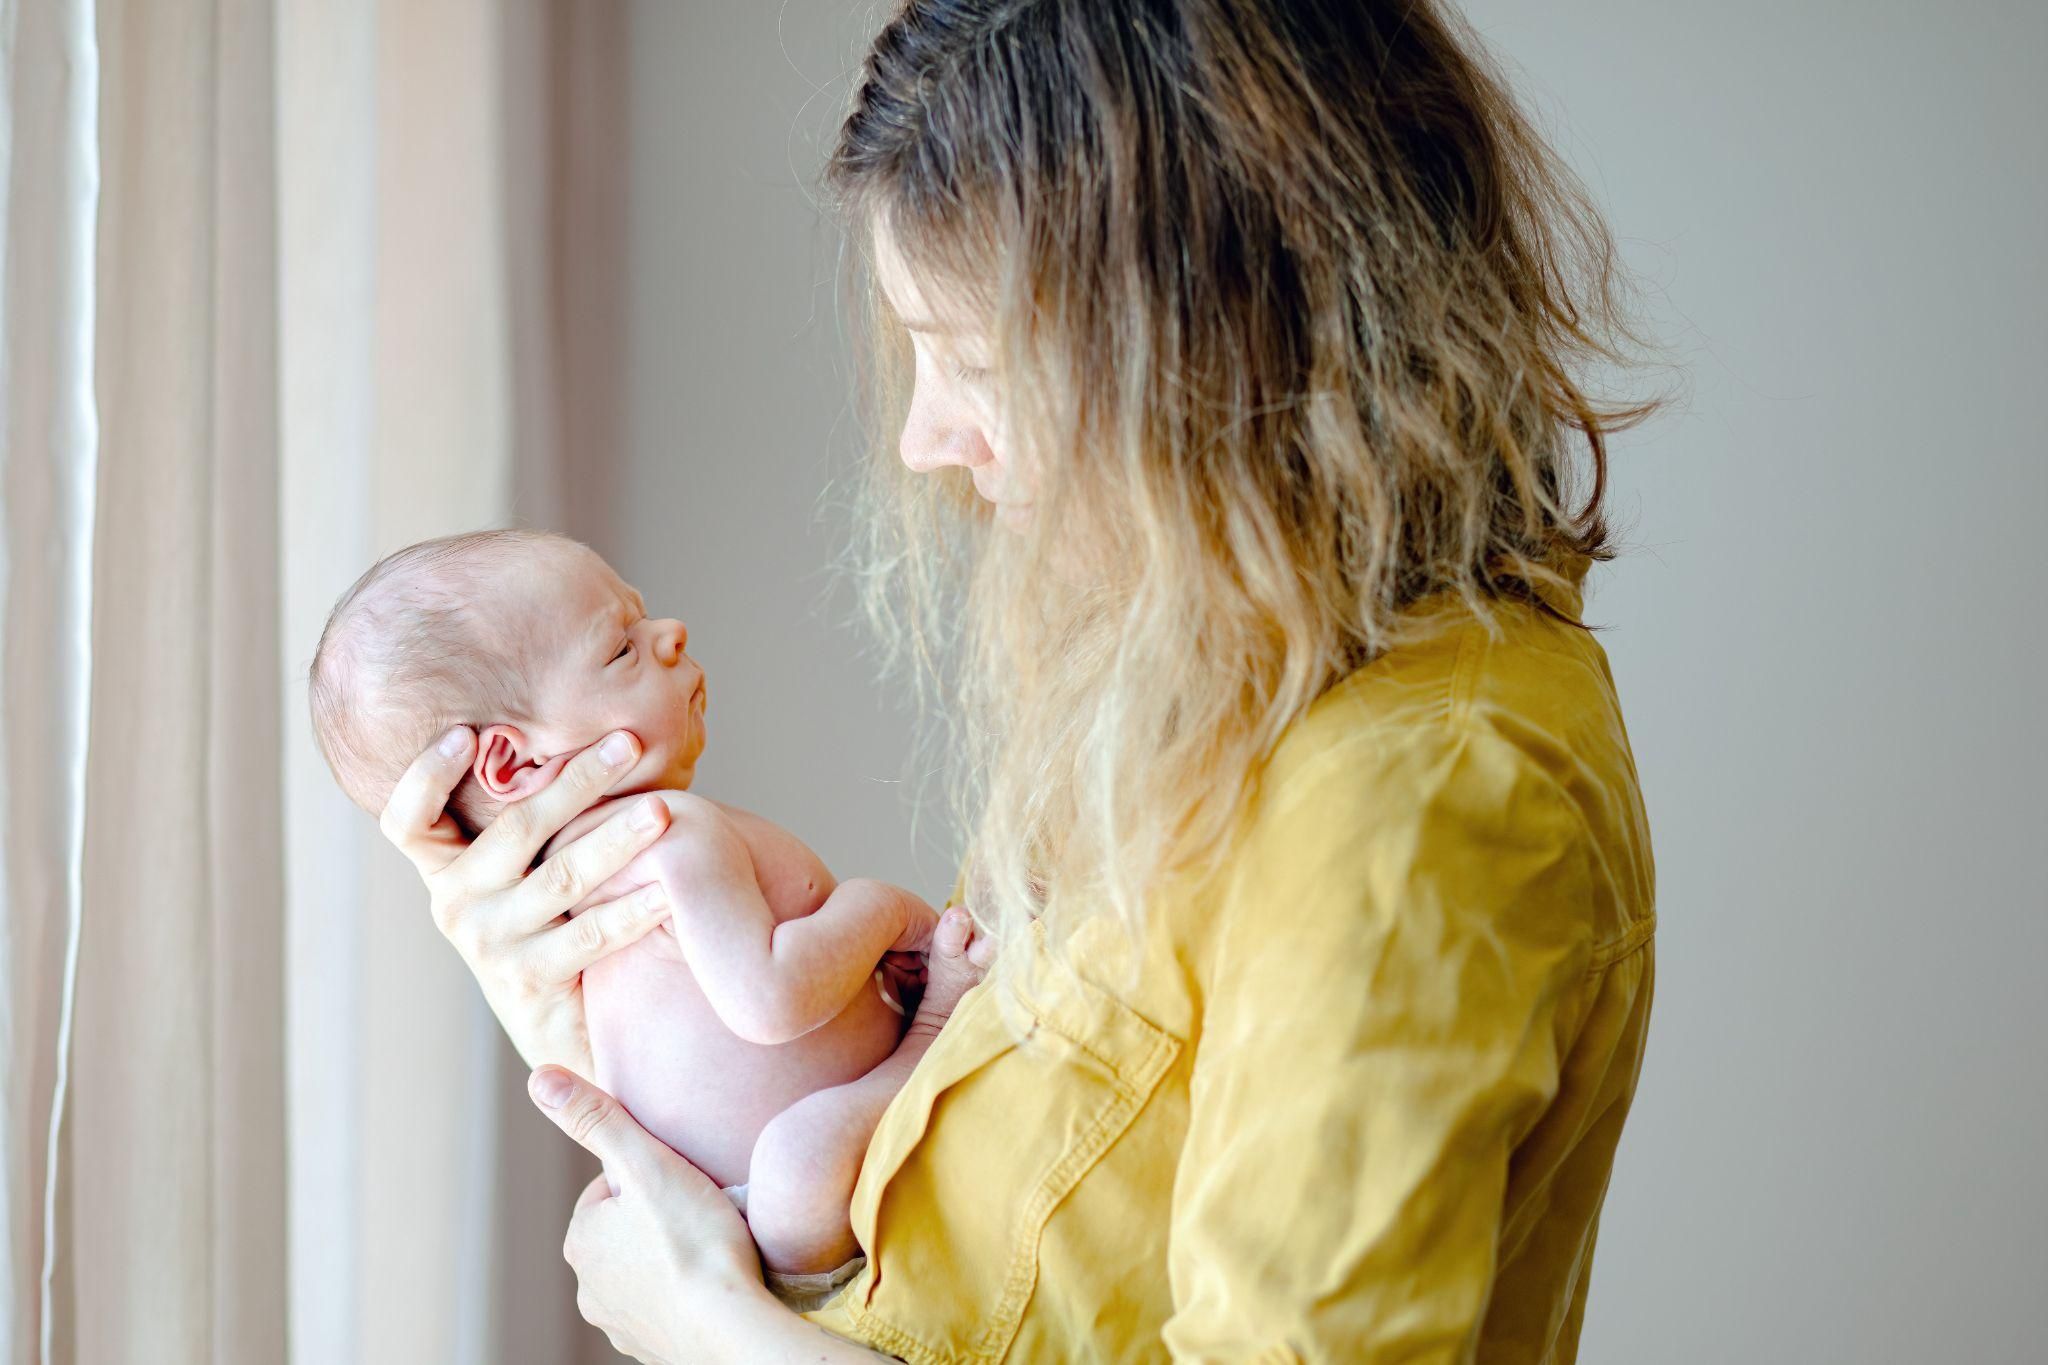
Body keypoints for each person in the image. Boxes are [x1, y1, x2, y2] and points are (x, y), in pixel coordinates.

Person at [377, 1, 1660, 1359]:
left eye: (977, 362)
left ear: (1209, 358)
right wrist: (591, 977)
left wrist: (707, 1326)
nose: (928, 436)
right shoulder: (1215, 676)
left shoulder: (1415, 798)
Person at [306, 529, 994, 1310]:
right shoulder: (666, 832)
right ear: (514, 762)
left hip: (703, 1220)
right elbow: (770, 999)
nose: (670, 635)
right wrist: (883, 908)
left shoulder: (545, 899)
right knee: (801, 1163)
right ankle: (940, 1022)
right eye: (620, 649)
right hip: (776, 1190)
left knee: (803, 1173)